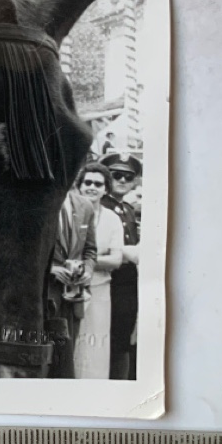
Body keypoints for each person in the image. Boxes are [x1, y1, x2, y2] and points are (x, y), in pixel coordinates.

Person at [74, 163, 125, 379]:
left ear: (106, 189)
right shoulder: (66, 213)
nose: (92, 187)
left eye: (98, 183)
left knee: (95, 346)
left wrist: (86, 261)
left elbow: (116, 259)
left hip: (99, 291)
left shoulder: (112, 219)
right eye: (87, 182)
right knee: (72, 346)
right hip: (69, 290)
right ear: (79, 186)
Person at [45, 175, 96, 379]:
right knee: (45, 359)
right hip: (45, 295)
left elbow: (90, 250)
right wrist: (51, 269)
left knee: (66, 362)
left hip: (73, 298)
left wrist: (88, 271)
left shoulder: (85, 206)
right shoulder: (39, 201)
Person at [101, 152, 142, 380]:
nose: (123, 180)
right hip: (108, 280)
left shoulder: (127, 209)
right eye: (117, 175)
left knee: (124, 336)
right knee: (109, 338)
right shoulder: (101, 206)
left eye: (129, 176)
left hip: (127, 281)